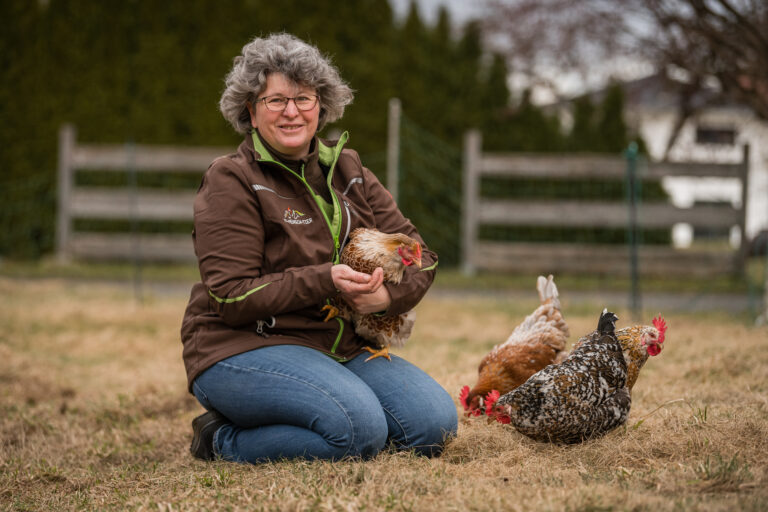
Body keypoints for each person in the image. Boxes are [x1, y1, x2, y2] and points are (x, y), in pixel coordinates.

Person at [181, 33, 457, 463]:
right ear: (251, 111)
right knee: (357, 430)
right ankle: (220, 440)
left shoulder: (350, 169)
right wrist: (325, 279)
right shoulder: (231, 179)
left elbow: (422, 256)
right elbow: (230, 296)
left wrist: (386, 298)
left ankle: (322, 416)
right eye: (275, 100)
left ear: (321, 106)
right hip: (243, 346)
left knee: (433, 426)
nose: (291, 111)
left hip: (336, 345)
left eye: (303, 99)